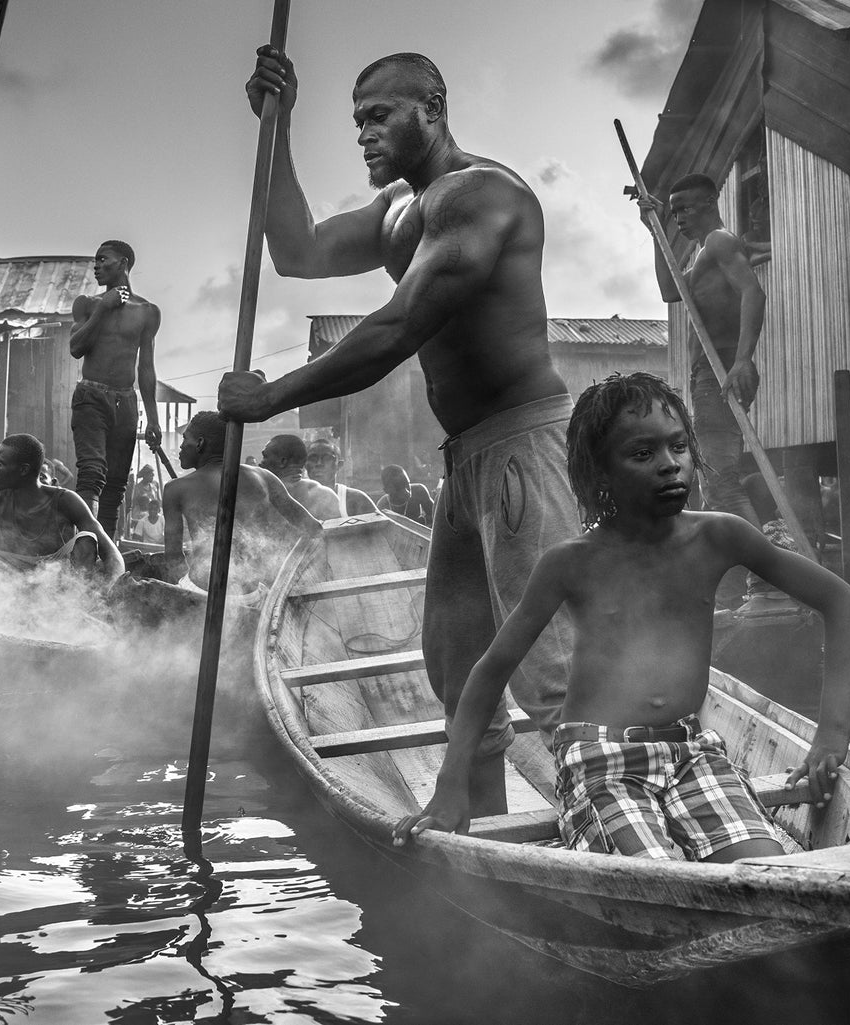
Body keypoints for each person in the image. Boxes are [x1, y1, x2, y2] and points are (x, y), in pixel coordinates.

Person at [223, 49, 581, 815]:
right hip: (464, 457)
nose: (363, 132)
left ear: (432, 106)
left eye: (379, 114)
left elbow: (396, 327)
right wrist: (274, 128)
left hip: (521, 441)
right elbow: (297, 252)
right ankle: (481, 824)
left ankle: (621, 827)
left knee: (552, 668)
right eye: (355, 120)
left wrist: (271, 397)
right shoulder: (396, 212)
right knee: (455, 661)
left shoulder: (479, 194)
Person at [393, 373, 850, 862]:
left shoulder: (721, 537)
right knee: (657, 874)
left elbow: (839, 601)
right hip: (599, 761)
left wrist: (830, 735)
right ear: (599, 475)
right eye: (642, 454)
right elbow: (489, 672)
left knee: (765, 866)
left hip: (692, 753)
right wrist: (450, 786)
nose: (670, 465)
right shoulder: (570, 562)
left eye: (678, 446)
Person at [638, 172, 764, 529]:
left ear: (710, 203)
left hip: (720, 370)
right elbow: (671, 289)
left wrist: (741, 361)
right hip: (709, 373)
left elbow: (754, 293)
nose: (678, 219)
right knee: (714, 484)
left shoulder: (721, 242)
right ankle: (739, 576)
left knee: (721, 485)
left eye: (684, 209)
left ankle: (759, 574)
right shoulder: (707, 251)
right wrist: (654, 229)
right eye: (673, 213)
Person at [159, 412, 321, 596]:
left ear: (200, 443)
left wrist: (185, 596)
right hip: (251, 595)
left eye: (184, 439)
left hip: (199, 592)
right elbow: (313, 528)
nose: (180, 446)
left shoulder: (175, 488)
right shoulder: (263, 476)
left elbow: (173, 558)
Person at [0, 433, 124, 581]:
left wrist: (114, 586)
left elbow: (111, 553)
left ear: (23, 470)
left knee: (87, 538)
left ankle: (78, 606)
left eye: (0, 463)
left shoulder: (66, 500)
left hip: (57, 576)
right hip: (8, 573)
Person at [69, 239, 162, 541]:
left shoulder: (147, 311)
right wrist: (103, 310)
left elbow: (145, 368)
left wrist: (153, 418)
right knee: (93, 471)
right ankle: (84, 547)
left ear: (122, 264)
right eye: (94, 260)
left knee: (116, 483)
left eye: (102, 259)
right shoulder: (87, 304)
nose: (95, 265)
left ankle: (107, 552)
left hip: (126, 401)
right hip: (91, 397)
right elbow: (76, 348)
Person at [260, 434, 342, 519]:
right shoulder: (327, 495)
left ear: (283, 462)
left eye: (265, 457)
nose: (260, 464)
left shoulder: (264, 495)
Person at [304, 438, 378, 516]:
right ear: (305, 465)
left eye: (327, 458)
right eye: (312, 458)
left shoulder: (355, 500)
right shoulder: (297, 500)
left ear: (339, 465)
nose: (319, 463)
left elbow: (385, 526)